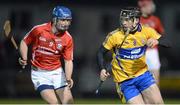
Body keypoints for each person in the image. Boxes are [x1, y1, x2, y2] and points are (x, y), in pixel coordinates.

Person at [97, 7, 170, 104]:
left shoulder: (146, 31)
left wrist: (157, 41)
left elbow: (168, 42)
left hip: (143, 76)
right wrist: (102, 69)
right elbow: (100, 52)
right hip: (125, 82)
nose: (124, 23)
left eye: (127, 20)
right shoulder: (114, 36)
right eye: (123, 19)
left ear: (136, 20)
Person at [19, 6, 74, 104]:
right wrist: (24, 57)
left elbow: (68, 61)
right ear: (55, 19)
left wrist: (69, 78)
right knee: (55, 103)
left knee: (69, 103)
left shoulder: (68, 38)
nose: (66, 23)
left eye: (68, 20)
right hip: (40, 74)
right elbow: (24, 42)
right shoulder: (39, 30)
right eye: (63, 20)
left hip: (57, 73)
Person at [138, 0, 165, 84]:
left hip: (153, 51)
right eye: (148, 6)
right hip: (140, 51)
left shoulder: (155, 19)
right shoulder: (137, 19)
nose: (151, 8)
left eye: (151, 6)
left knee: (155, 74)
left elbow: (162, 34)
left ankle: (156, 95)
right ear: (142, 7)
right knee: (140, 75)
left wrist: (156, 40)